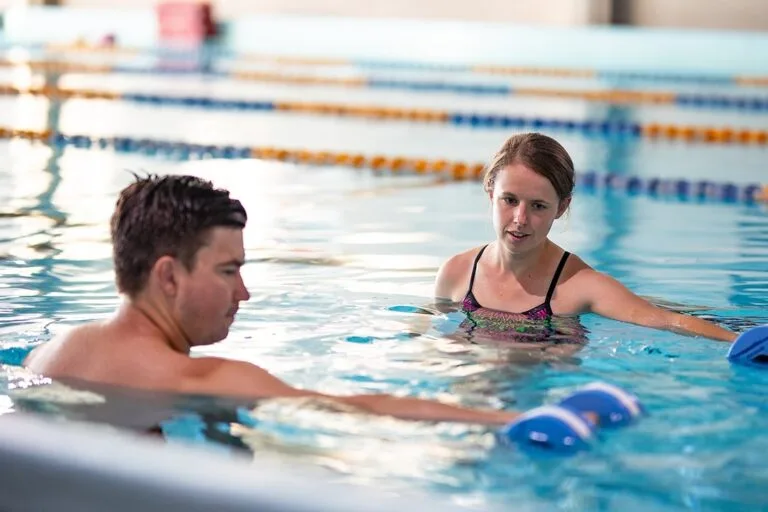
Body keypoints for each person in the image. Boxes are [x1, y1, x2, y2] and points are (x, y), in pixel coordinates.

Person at [23, 173, 536, 427]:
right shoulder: (207, 380)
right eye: (229, 271)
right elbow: (360, 409)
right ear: (168, 276)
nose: (243, 292)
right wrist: (512, 419)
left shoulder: (51, 354)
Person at [434, 132, 737, 343]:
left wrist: (739, 340)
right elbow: (433, 337)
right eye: (509, 200)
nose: (520, 219)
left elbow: (666, 321)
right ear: (490, 193)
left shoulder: (579, 286)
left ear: (561, 207)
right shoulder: (456, 273)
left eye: (538, 206)